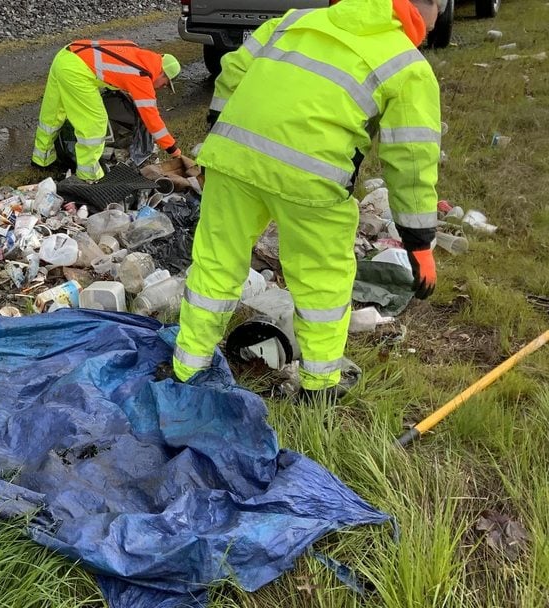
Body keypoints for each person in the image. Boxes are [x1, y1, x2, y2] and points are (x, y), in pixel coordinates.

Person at [172, 0, 442, 402]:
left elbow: (232, 73)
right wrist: (419, 243)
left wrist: (219, 138)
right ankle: (318, 388)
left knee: (215, 262)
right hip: (312, 180)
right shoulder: (407, 64)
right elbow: (412, 162)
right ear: (426, 7)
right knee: (321, 282)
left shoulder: (296, 20)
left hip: (234, 159)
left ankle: (187, 368)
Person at [32, 40, 183, 182]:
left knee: (52, 114)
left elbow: (115, 67)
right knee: (95, 124)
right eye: (165, 84)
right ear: (162, 73)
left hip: (66, 55)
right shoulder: (142, 77)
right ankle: (88, 175)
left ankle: (41, 159)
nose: (162, 87)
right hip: (76, 71)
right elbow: (153, 120)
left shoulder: (137, 52)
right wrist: (173, 150)